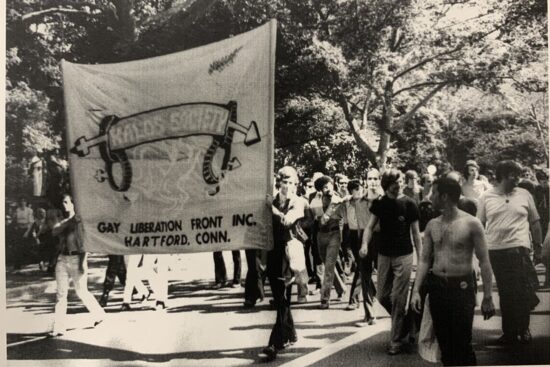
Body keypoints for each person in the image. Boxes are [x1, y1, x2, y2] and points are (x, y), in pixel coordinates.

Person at [411, 177, 495, 366]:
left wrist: (488, 296)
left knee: (462, 344)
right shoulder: (432, 224)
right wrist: (416, 290)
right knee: (445, 345)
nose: (430, 197)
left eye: (434, 193)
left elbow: (485, 261)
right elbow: (424, 260)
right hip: (437, 289)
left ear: (445, 196)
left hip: (462, 288)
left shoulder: (471, 223)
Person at [477, 160, 542, 344]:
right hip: (496, 250)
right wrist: (478, 250)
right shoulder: (486, 197)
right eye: (515, 175)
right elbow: (479, 224)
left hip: (519, 248)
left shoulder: (525, 194)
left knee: (522, 290)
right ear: (503, 176)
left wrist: (538, 247)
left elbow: (535, 222)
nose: (518, 179)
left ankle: (523, 329)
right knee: (506, 293)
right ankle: (510, 333)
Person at [360, 169, 422, 355]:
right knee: (382, 295)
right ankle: (406, 322)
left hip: (404, 255)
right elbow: (369, 227)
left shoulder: (410, 204)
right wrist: (364, 244)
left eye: (402, 181)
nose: (400, 185)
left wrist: (421, 258)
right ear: (388, 184)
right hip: (384, 254)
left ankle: (395, 341)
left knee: (398, 298)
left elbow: (416, 234)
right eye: (396, 182)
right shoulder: (380, 203)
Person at [262, 166, 308, 361]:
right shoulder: (271, 200)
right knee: (280, 296)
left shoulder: (298, 202)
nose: (287, 186)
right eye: (284, 182)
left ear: (295, 184)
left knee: (282, 297)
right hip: (273, 251)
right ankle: (290, 333)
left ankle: (274, 342)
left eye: (291, 183)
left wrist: (270, 208)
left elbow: (287, 221)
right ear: (279, 182)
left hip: (290, 252)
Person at [49, 194, 105, 336]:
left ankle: (99, 314)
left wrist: (82, 263)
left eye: (67, 202)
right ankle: (58, 327)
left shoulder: (81, 222)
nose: (64, 205)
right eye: (63, 202)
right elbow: (54, 231)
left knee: (82, 291)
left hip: (76, 258)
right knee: (61, 294)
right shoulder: (62, 220)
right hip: (62, 259)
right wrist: (70, 220)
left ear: (73, 203)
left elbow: (85, 245)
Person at [344, 174, 381, 327]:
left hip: (381, 241)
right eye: (369, 178)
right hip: (365, 240)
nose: (372, 181)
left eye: (375, 178)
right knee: (364, 276)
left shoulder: (383, 200)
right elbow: (360, 227)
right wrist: (360, 245)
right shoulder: (359, 203)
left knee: (385, 280)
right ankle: (369, 315)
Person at [310, 175, 346, 308]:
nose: (328, 188)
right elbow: (315, 216)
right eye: (324, 187)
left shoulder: (338, 199)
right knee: (328, 265)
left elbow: (326, 218)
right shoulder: (316, 200)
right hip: (320, 235)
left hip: (334, 234)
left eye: (329, 185)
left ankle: (325, 298)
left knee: (329, 267)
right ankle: (341, 288)